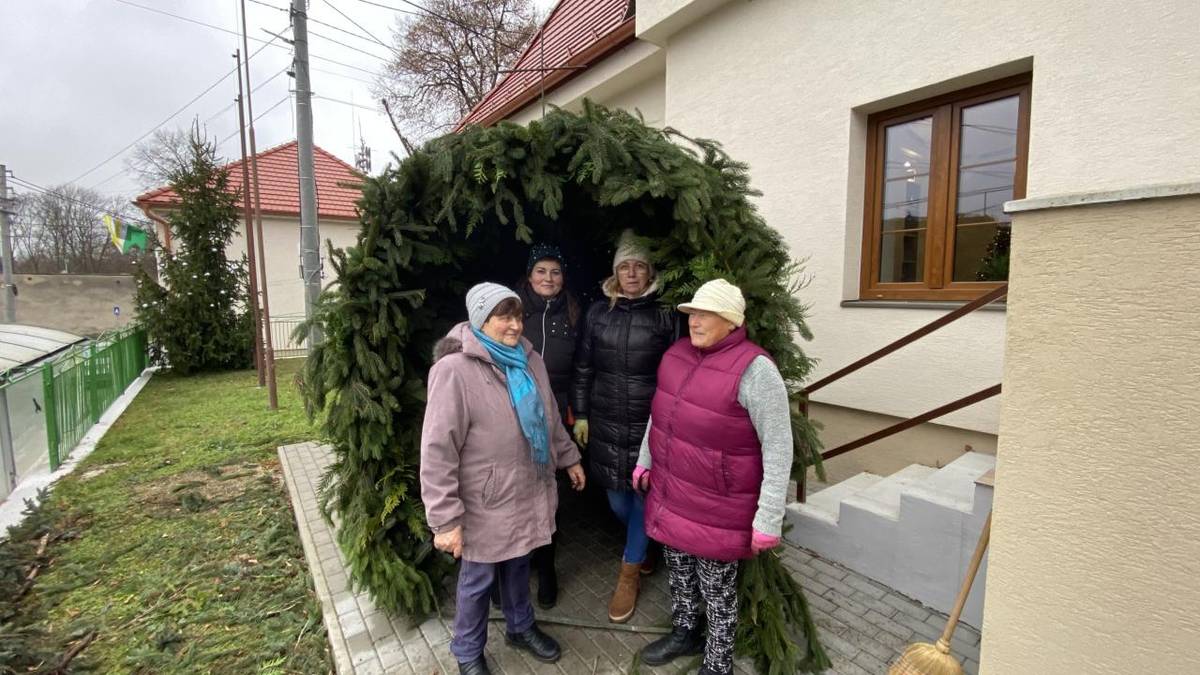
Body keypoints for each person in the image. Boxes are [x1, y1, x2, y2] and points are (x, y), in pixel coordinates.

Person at [420, 282, 587, 675]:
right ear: (480, 319)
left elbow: (548, 416)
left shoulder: (530, 360)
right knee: (478, 580)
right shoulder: (454, 370)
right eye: (503, 317)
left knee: (518, 565)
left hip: (528, 487)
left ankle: (520, 627)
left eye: (517, 316)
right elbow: (437, 449)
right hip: (484, 499)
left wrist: (570, 458)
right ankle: (467, 651)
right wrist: (445, 519)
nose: (514, 326)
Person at [633, 279, 793, 675]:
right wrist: (645, 460)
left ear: (731, 321)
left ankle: (718, 662)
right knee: (680, 572)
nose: (695, 321)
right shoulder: (677, 355)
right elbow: (661, 414)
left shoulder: (755, 370)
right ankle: (684, 630)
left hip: (717, 506)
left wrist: (768, 518)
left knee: (718, 590)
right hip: (673, 492)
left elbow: (778, 447)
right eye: (692, 313)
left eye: (705, 314)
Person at [571, 229, 675, 623]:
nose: (632, 273)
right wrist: (580, 414)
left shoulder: (665, 314)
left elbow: (677, 371)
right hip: (607, 421)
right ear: (616, 272)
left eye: (639, 266)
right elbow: (583, 367)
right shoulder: (599, 313)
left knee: (644, 496)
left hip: (650, 426)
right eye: (625, 266)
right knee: (618, 500)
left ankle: (628, 572)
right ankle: (645, 547)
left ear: (649, 272)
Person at [510, 243, 581, 608]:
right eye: (541, 271)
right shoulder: (512, 311)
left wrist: (576, 411)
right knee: (519, 490)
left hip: (558, 415)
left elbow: (582, 362)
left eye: (555, 272)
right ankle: (517, 565)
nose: (548, 278)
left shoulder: (571, 311)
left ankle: (547, 566)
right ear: (529, 274)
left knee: (550, 494)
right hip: (516, 416)